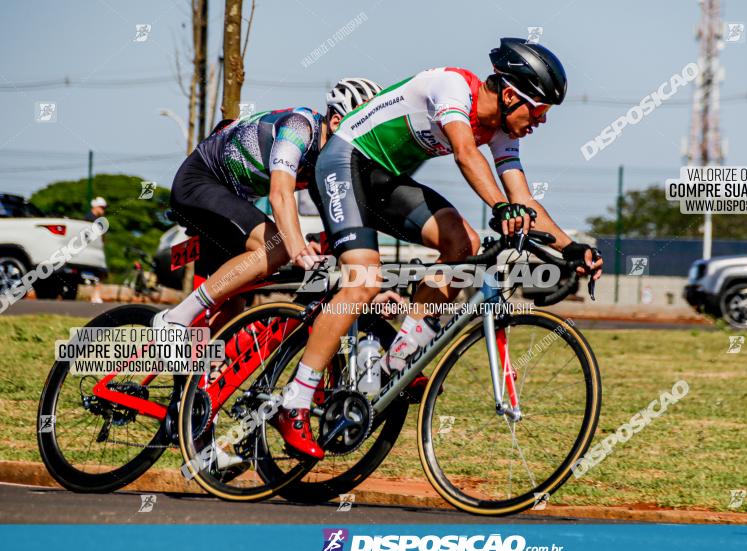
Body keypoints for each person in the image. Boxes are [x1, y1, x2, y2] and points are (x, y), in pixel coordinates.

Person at [281, 38, 603, 459]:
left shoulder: (502, 131)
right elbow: (466, 154)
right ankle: (295, 401)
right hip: (343, 162)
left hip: (383, 180)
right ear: (509, 95)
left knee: (463, 244)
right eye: (539, 110)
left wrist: (571, 248)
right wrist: (500, 207)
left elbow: (522, 197)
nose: (541, 121)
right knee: (364, 280)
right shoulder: (453, 88)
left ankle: (393, 365)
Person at [154, 78, 386, 459]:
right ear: (336, 118)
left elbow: (336, 215)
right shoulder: (300, 127)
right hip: (200, 182)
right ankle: (177, 317)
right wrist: (295, 248)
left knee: (230, 323)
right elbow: (280, 194)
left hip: (230, 197)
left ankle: (195, 427)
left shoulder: (330, 159)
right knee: (274, 247)